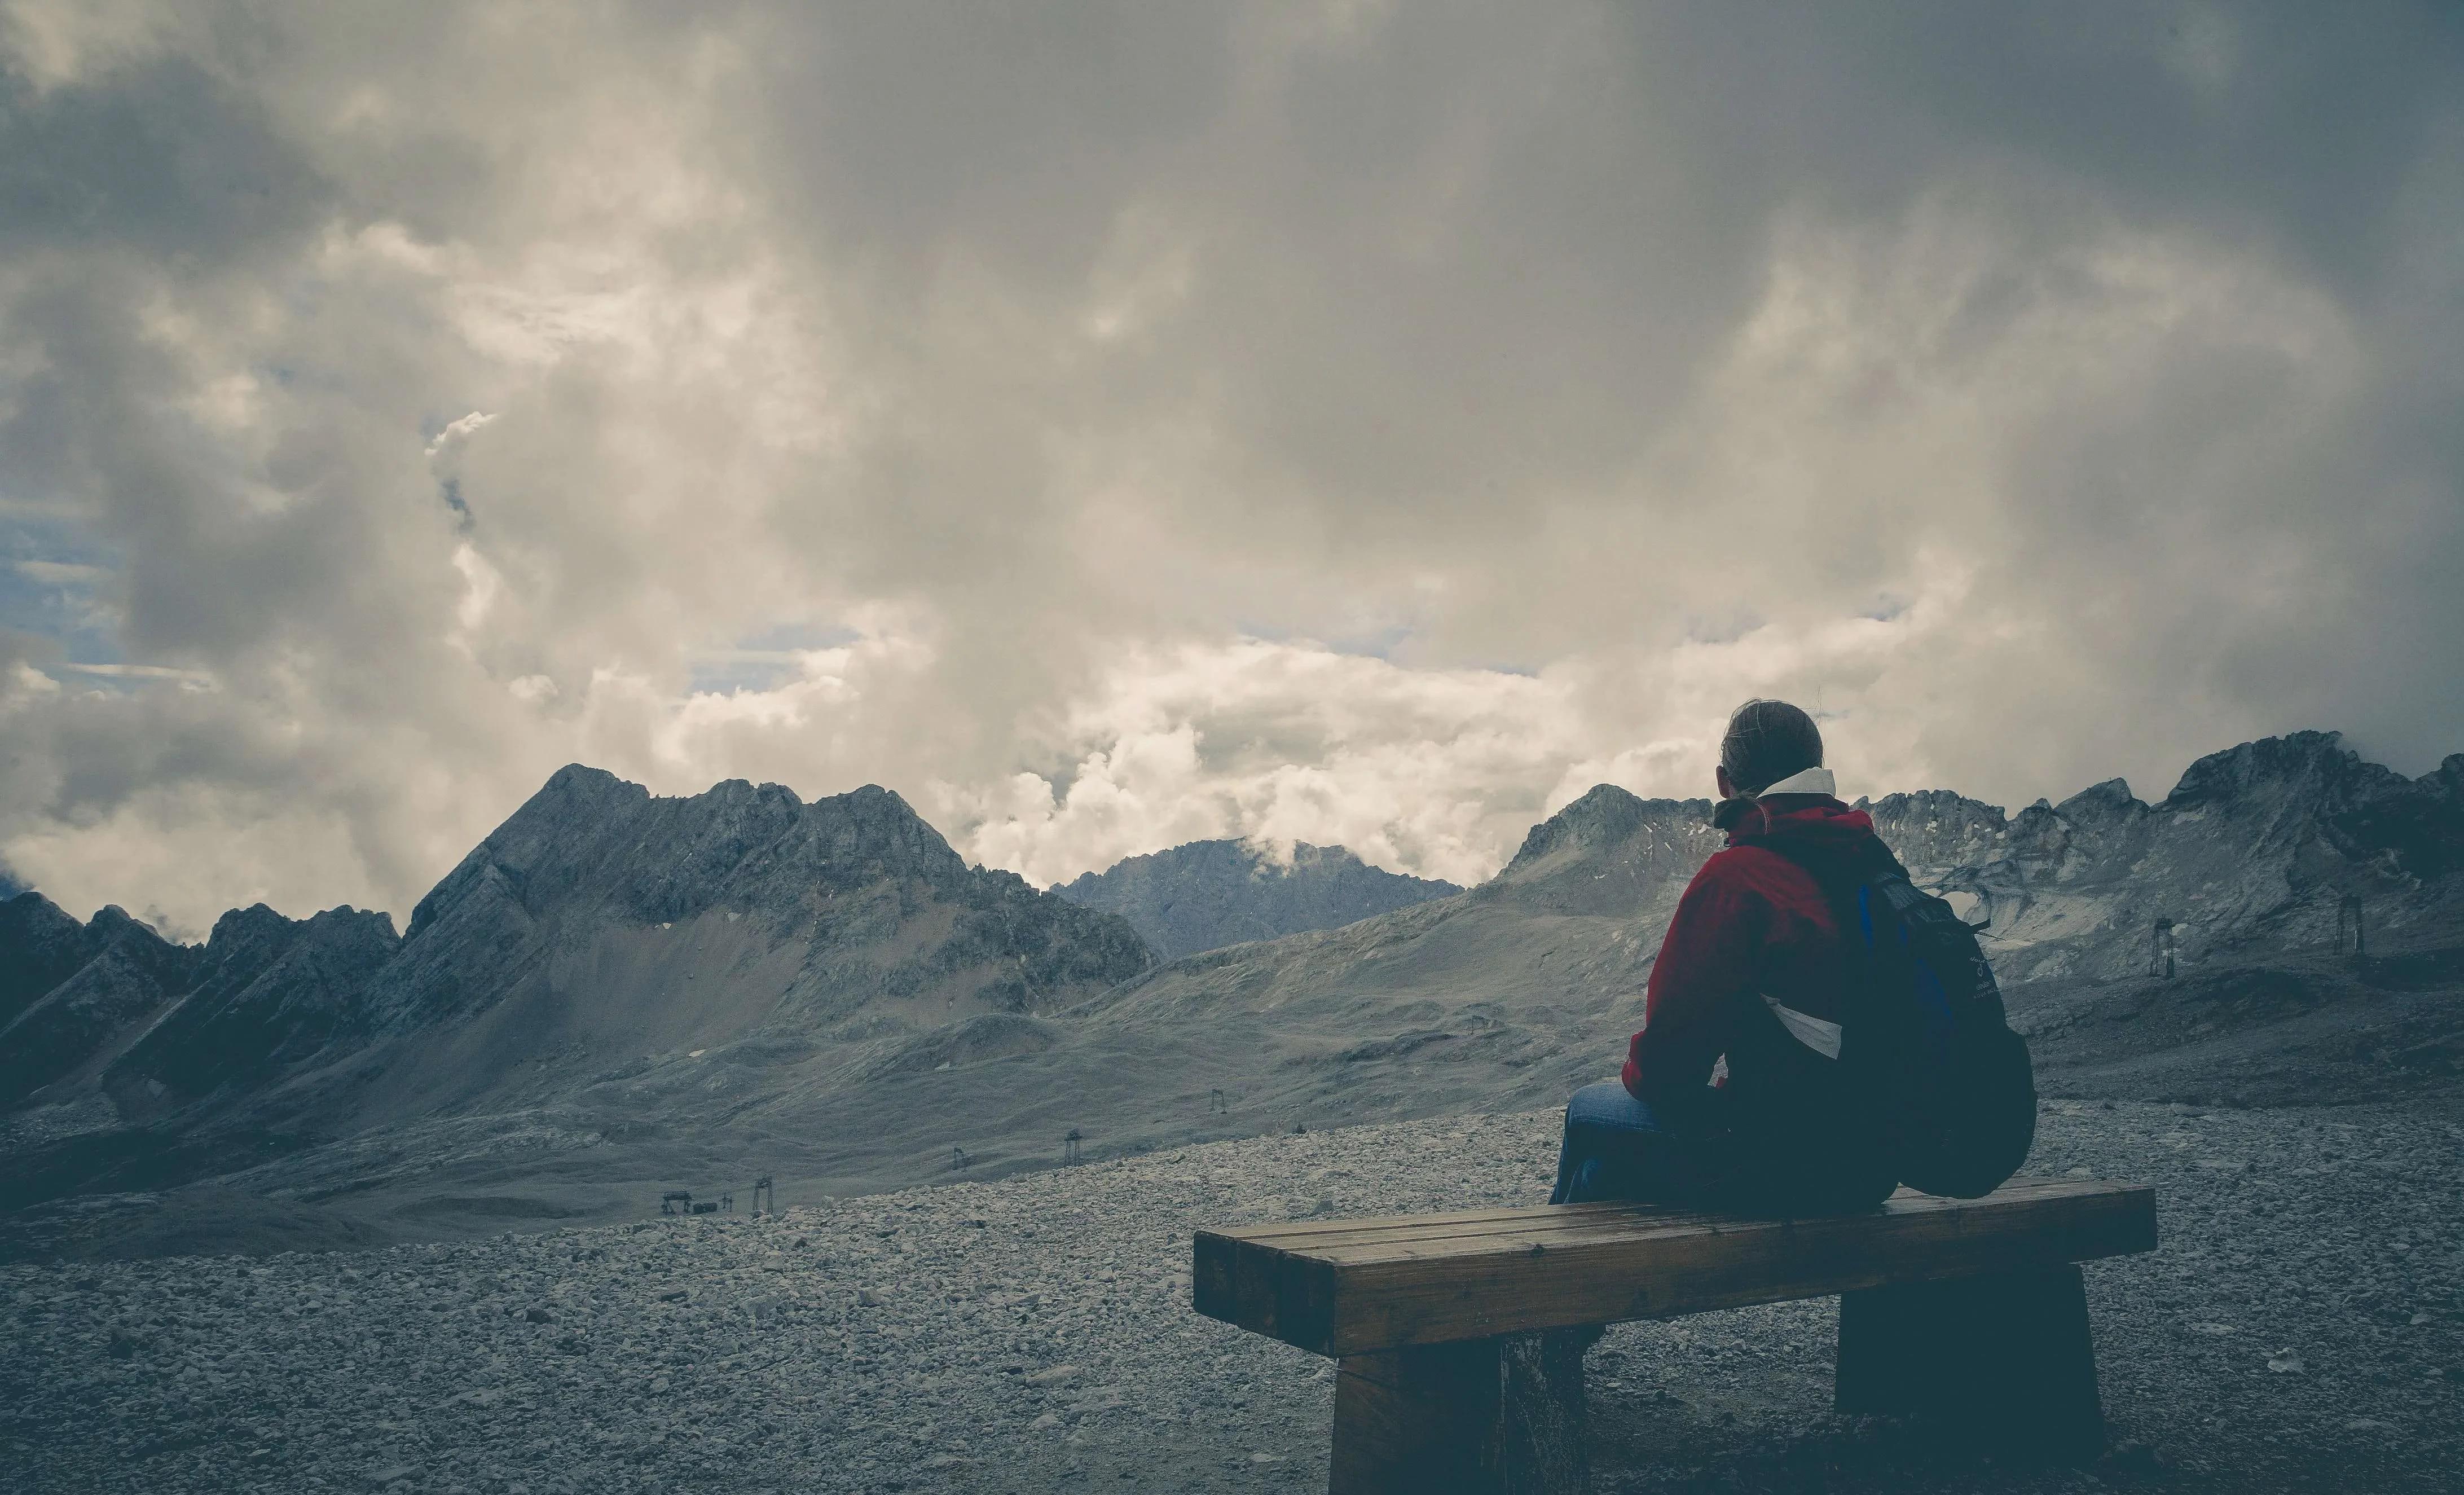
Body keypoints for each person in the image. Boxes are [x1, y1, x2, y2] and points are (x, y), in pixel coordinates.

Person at [1549, 698, 1899, 1215]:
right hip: (1876, 1162)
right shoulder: (1868, 860)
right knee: (1602, 1174)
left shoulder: (1739, 879)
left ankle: (1548, 1276)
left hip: (1790, 1160)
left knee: (1586, 1111)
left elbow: (1666, 1070)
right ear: (1818, 772)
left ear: (1723, 781)